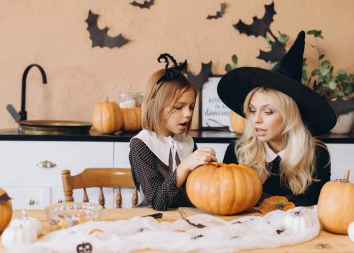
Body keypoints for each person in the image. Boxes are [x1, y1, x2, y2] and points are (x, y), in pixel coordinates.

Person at [217, 31, 337, 206]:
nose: (256, 120)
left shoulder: (317, 154)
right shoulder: (238, 151)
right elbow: (226, 200)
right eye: (252, 110)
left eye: (268, 112)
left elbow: (317, 205)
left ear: (289, 117)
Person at [129, 53, 217, 211]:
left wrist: (212, 173)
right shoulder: (141, 145)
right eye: (178, 107)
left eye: (191, 107)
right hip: (154, 224)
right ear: (157, 106)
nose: (188, 114)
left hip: (186, 218)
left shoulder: (188, 143)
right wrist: (185, 166)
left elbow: (196, 191)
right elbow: (158, 202)